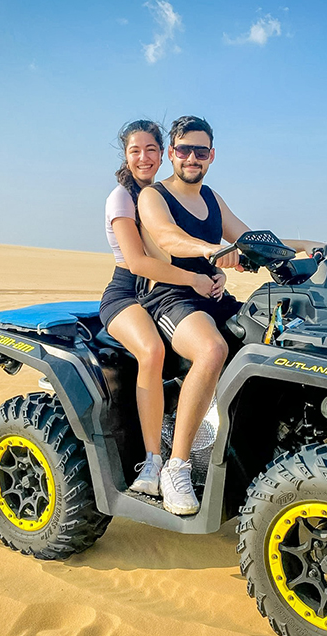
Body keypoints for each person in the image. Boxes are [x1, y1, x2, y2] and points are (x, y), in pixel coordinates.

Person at [138, 115, 322, 515]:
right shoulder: (154, 196)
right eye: (184, 150)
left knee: (272, 336)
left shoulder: (211, 199)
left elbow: (250, 239)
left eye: (200, 151)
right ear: (171, 153)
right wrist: (209, 250)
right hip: (171, 298)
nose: (191, 158)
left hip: (212, 295)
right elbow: (166, 236)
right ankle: (177, 465)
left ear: (211, 155)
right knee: (211, 350)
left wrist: (310, 245)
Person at [100, 119, 227, 500]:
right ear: (126, 156)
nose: (144, 157)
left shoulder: (170, 192)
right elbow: (139, 263)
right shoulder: (124, 198)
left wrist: (213, 269)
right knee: (152, 351)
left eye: (150, 150)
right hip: (129, 291)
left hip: (165, 286)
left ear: (161, 154)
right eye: (135, 151)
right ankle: (156, 459)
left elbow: (198, 243)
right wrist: (196, 278)